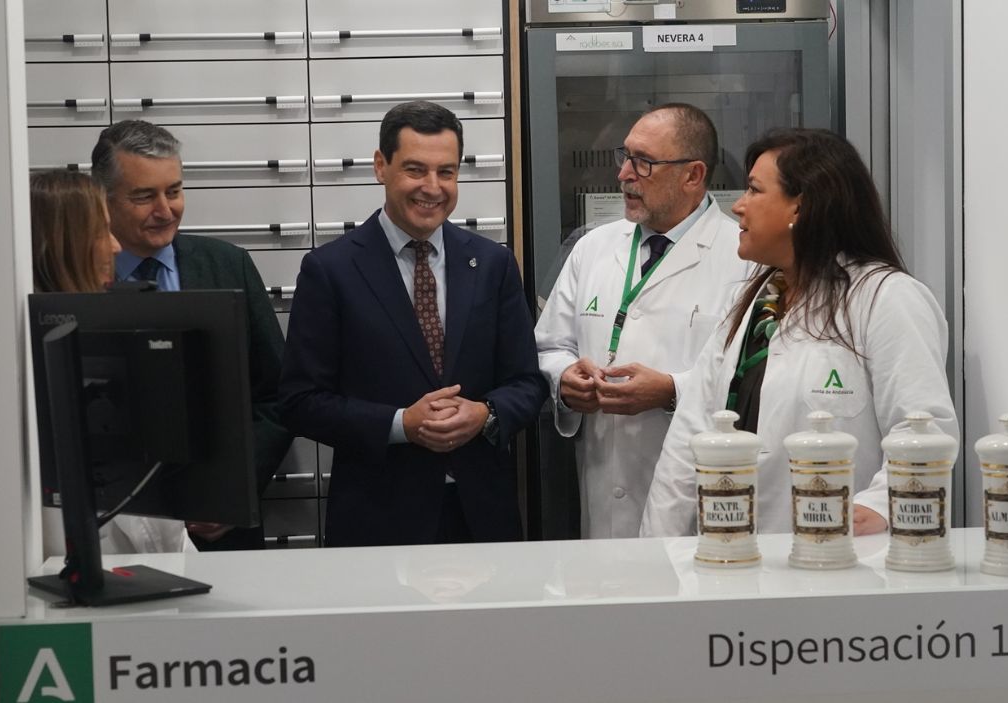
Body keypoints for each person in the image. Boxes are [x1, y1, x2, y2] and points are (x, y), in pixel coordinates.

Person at [640, 128, 958, 537]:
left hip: (839, 561)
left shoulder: (887, 299)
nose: (738, 206)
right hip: (732, 555)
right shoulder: (753, 303)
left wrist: (876, 507)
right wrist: (656, 554)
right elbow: (688, 441)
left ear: (801, 207)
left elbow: (925, 429)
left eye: (754, 190)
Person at [277, 101, 546, 547]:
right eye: (416, 170)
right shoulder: (331, 270)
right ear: (381, 166)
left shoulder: (493, 263)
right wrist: (403, 423)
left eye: (447, 172)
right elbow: (301, 401)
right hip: (377, 519)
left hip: (481, 516)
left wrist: (485, 414)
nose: (433, 188)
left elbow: (527, 383)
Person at [533, 104, 755, 539]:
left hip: (697, 504)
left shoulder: (743, 259)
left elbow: (750, 377)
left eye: (644, 163)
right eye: (626, 156)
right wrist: (565, 379)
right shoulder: (593, 247)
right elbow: (551, 345)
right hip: (599, 493)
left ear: (693, 175)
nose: (624, 175)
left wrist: (671, 391)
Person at [91, 120, 292, 551]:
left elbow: (277, 395)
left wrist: (233, 491)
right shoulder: (81, 278)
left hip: (223, 527)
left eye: (174, 191)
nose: (165, 210)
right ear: (103, 200)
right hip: (115, 529)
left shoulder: (228, 265)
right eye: (144, 196)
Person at [30, 169, 190, 554]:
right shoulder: (29, 372)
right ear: (64, 245)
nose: (115, 248)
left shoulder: (105, 344)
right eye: (102, 232)